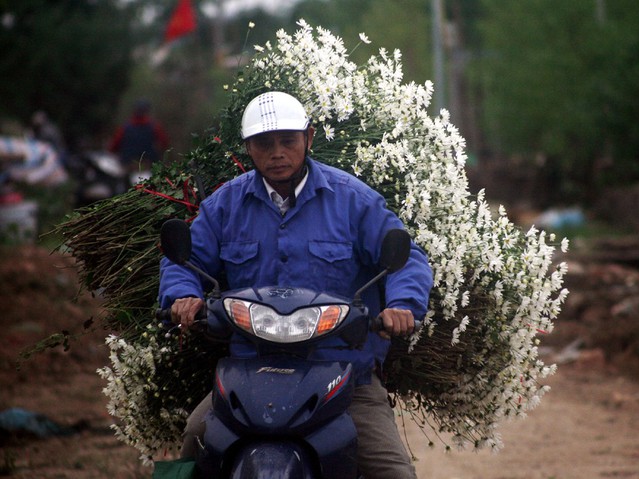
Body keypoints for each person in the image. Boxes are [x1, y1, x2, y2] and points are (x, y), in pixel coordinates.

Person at [158, 91, 433, 478]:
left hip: (343, 374)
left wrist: (402, 305)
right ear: (248, 149)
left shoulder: (354, 201)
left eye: (288, 140)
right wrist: (182, 296)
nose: (277, 153)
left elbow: (408, 259)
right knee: (194, 440)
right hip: (249, 374)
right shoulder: (224, 206)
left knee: (393, 471)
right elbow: (183, 261)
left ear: (309, 137)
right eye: (263, 143)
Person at [109, 99, 169, 171]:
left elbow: (114, 145)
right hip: (148, 163)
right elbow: (164, 143)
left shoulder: (125, 127)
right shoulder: (154, 126)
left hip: (128, 164)